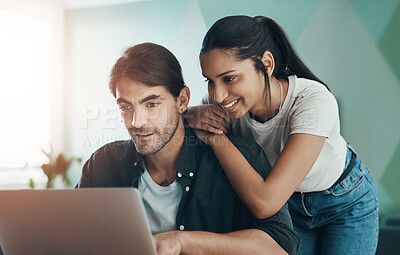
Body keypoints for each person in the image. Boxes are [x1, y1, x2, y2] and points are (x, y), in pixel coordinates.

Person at [76, 42, 300, 255]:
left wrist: (183, 242)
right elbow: (74, 234)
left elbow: (279, 247)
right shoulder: (104, 163)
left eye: (152, 104)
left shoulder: (241, 156)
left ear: (182, 100)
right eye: (125, 107)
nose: (137, 122)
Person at [185, 15, 379, 255]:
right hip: (288, 210)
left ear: (266, 64)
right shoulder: (220, 105)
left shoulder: (313, 101)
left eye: (229, 78)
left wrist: (216, 137)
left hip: (342, 203)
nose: (218, 95)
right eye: (210, 81)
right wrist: (188, 114)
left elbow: (265, 203)